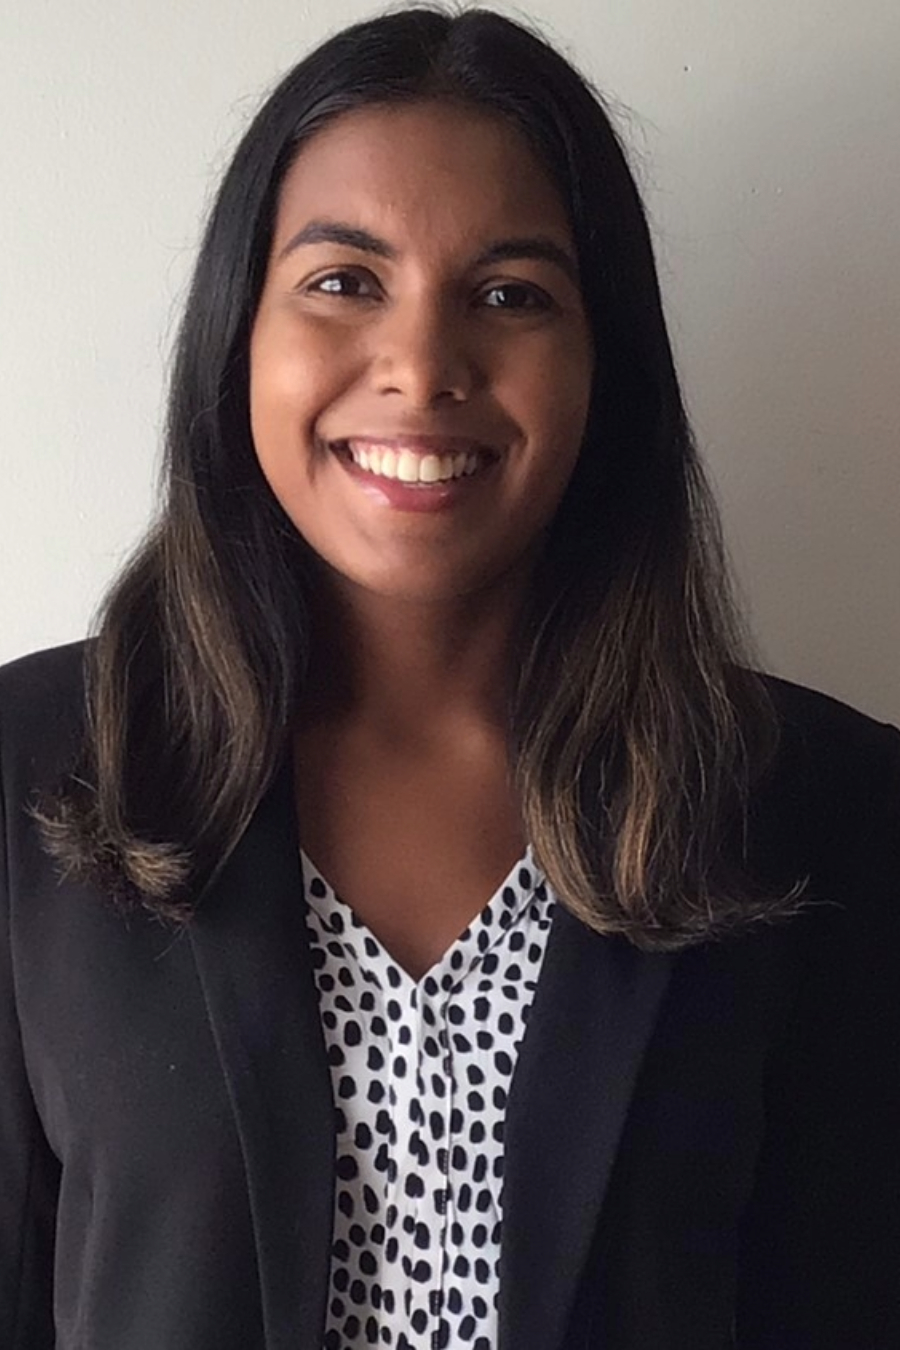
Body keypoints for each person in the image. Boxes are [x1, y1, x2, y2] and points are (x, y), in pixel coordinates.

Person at [1, 7, 897, 1348]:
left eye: (511, 294)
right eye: (343, 280)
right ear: (240, 331)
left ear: (604, 361)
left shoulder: (826, 804)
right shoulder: (39, 772)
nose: (422, 369)